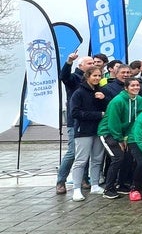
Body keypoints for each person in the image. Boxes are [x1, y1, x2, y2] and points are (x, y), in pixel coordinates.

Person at [56, 52, 94, 194]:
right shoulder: (75, 78)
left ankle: (84, 179)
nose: (92, 65)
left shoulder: (93, 80)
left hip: (89, 120)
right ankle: (61, 181)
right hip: (75, 121)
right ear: (81, 66)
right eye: (89, 63)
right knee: (73, 152)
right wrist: (69, 61)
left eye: (93, 63)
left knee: (86, 152)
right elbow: (64, 77)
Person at [97, 77, 141, 199]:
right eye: (132, 86)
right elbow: (113, 122)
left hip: (122, 134)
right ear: (126, 88)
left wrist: (126, 137)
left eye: (137, 85)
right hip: (108, 132)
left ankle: (121, 185)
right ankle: (108, 188)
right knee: (117, 158)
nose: (136, 88)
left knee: (127, 157)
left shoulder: (137, 100)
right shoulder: (118, 101)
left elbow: (132, 121)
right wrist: (120, 139)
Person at [70, 67, 108, 201]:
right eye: (94, 76)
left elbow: (107, 109)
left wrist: (103, 99)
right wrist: (98, 115)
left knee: (97, 159)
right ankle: (76, 189)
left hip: (98, 130)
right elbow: (75, 113)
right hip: (83, 131)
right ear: (87, 77)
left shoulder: (100, 92)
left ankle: (95, 185)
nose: (97, 78)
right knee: (81, 160)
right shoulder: (78, 93)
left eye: (99, 76)